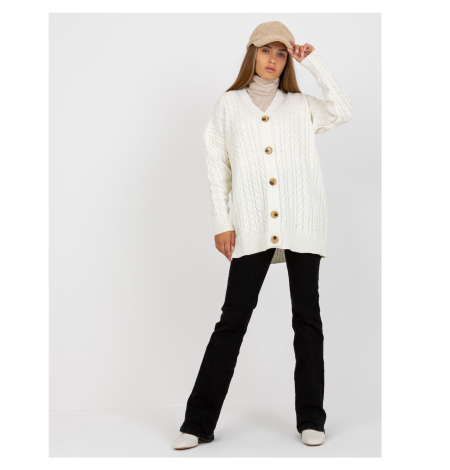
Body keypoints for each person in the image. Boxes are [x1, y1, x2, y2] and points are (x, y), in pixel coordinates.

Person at [173, 20, 353, 450]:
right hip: (252, 225)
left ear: (288, 59)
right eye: (266, 50)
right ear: (252, 53)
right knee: (231, 321)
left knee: (307, 319)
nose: (273, 60)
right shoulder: (229, 105)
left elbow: (343, 110)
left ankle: (311, 418)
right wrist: (222, 222)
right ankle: (197, 423)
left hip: (302, 223)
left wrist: (315, 63)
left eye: (281, 53)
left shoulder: (301, 105)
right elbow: (217, 167)